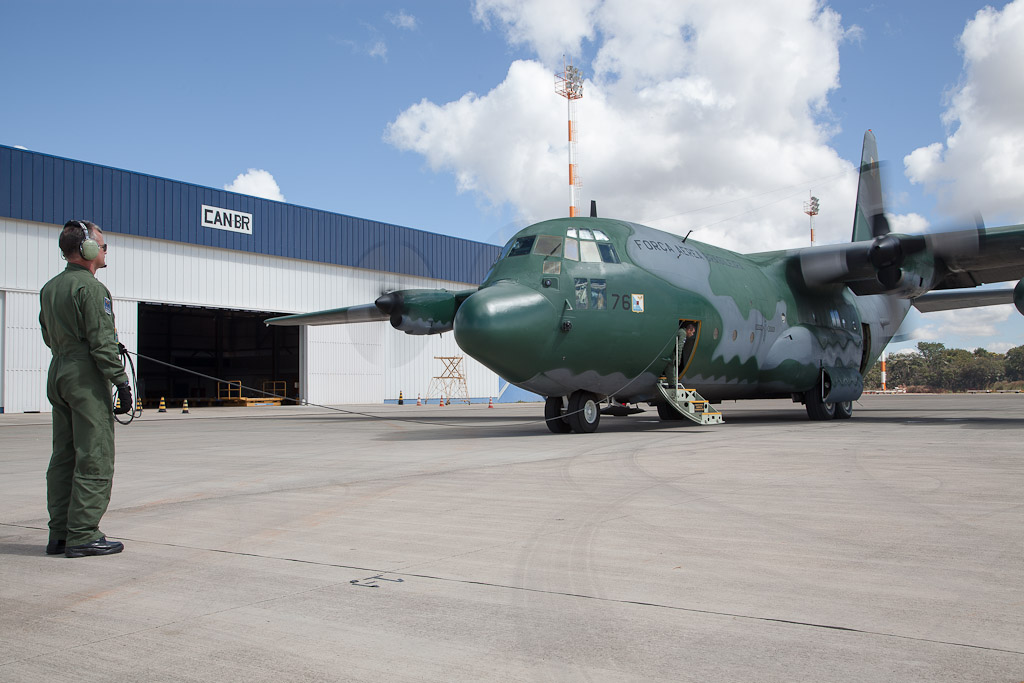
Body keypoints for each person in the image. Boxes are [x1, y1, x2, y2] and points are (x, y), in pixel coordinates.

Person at [39, 220, 132, 558]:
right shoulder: (92, 289)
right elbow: (102, 342)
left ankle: (60, 534)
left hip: (59, 370)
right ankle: (83, 535)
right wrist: (121, 381)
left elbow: (48, 336)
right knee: (94, 455)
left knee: (64, 455)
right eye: (103, 246)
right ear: (88, 249)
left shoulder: (50, 288)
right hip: (85, 377)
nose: (106, 252)